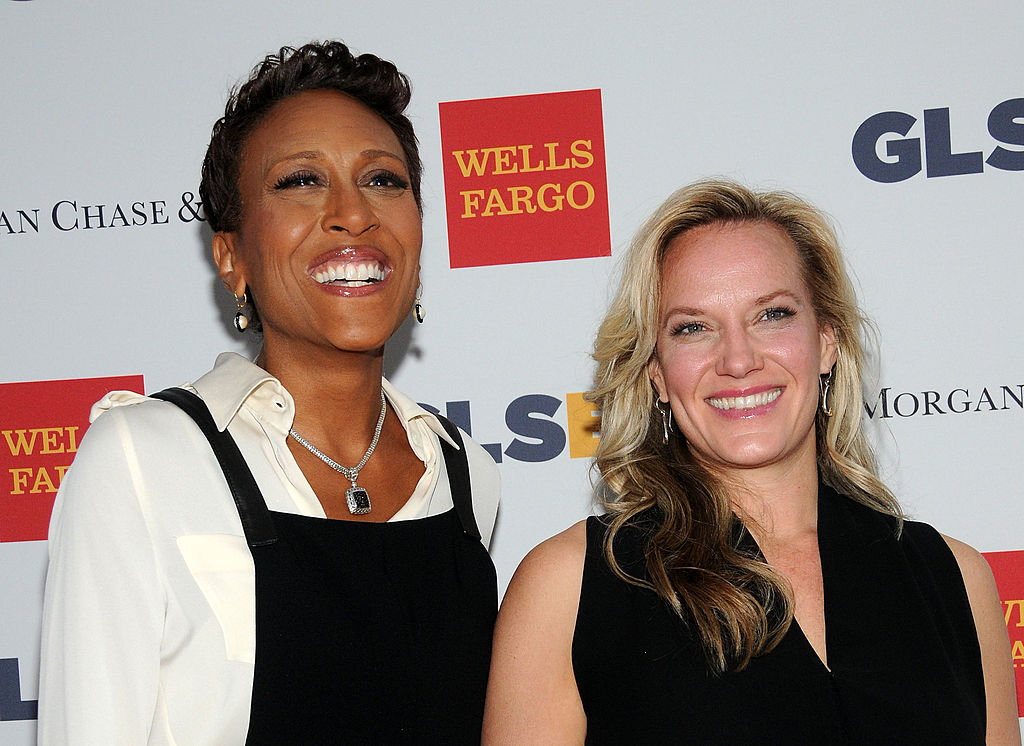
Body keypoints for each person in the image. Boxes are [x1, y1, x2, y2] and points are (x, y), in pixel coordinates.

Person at [39, 41, 500, 744]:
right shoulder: (143, 460)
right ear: (232, 257)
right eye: (299, 181)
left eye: (383, 180)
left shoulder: (467, 475)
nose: (353, 213)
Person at [482, 179, 1018, 744]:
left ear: (828, 340)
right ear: (656, 373)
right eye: (693, 328)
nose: (738, 359)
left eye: (773, 315)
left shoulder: (954, 578)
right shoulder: (570, 587)